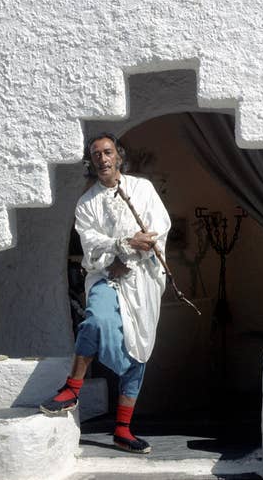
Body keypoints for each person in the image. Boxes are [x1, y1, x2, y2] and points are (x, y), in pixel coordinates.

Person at [40, 132, 170, 454]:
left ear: (119, 157)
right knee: (96, 320)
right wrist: (121, 248)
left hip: (142, 281)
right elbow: (91, 245)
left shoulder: (142, 189)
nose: (102, 158)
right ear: (91, 161)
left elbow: (157, 230)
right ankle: (72, 388)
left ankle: (123, 430)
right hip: (104, 277)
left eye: (107, 152)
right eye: (96, 154)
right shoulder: (86, 204)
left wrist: (128, 258)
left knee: (138, 352)